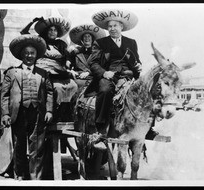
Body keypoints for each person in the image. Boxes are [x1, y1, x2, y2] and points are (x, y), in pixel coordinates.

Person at [0, 34, 54, 180]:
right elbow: (4, 95)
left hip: (37, 114)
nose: (29, 56)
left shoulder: (43, 73)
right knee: (19, 145)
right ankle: (20, 175)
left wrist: (49, 110)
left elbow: (49, 92)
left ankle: (35, 177)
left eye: (32, 53)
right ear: (22, 55)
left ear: (36, 55)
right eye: (27, 53)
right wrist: (5, 114)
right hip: (18, 113)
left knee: (37, 147)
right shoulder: (11, 73)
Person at [87, 9, 143, 138]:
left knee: (146, 92)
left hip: (128, 76)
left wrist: (138, 66)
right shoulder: (100, 43)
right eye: (109, 26)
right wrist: (104, 73)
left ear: (121, 27)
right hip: (109, 76)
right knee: (105, 90)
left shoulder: (131, 42)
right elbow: (93, 63)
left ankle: (147, 127)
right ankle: (100, 128)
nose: (112, 29)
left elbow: (136, 61)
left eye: (115, 26)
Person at [29, 16, 78, 122]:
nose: (53, 32)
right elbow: (23, 33)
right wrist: (33, 22)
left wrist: (69, 67)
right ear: (46, 31)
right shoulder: (39, 41)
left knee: (73, 86)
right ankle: (53, 117)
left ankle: (66, 116)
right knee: (57, 89)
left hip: (58, 71)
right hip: (43, 70)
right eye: (50, 30)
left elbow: (66, 60)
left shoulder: (60, 44)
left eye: (55, 30)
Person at [68, 24, 106, 90]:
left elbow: (102, 67)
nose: (87, 38)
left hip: (93, 78)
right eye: (85, 36)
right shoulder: (75, 52)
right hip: (78, 78)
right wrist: (71, 71)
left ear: (92, 39)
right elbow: (68, 64)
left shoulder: (98, 52)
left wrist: (88, 72)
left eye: (89, 36)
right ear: (82, 39)